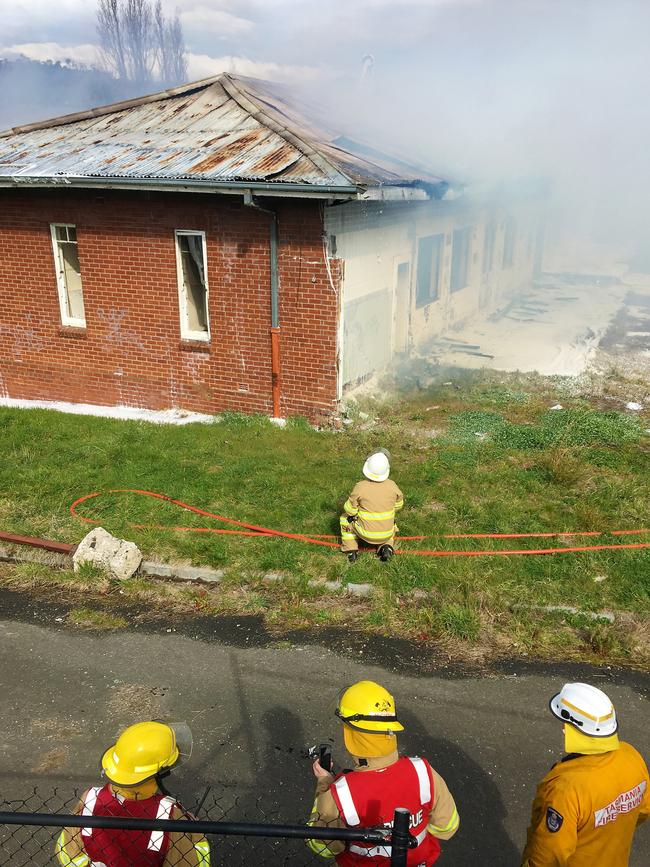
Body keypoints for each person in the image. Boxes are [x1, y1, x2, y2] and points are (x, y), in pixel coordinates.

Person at [307, 680, 459, 864]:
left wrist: (324, 783)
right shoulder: (423, 772)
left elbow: (322, 846)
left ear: (349, 733)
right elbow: (446, 827)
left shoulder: (340, 792)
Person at [522, 682, 649, 866]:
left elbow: (549, 855)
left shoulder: (566, 788)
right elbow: (643, 810)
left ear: (570, 727)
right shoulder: (631, 756)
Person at [55, 720, 210, 866]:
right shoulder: (169, 815)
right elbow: (196, 862)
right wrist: (196, 833)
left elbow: (65, 852)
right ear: (158, 773)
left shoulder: (89, 799)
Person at [340, 450, 404, 563]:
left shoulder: (360, 487)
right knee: (392, 523)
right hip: (386, 533)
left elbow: (349, 510)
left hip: (365, 533)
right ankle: (386, 547)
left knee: (344, 519)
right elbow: (398, 505)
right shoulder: (393, 485)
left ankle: (351, 549)